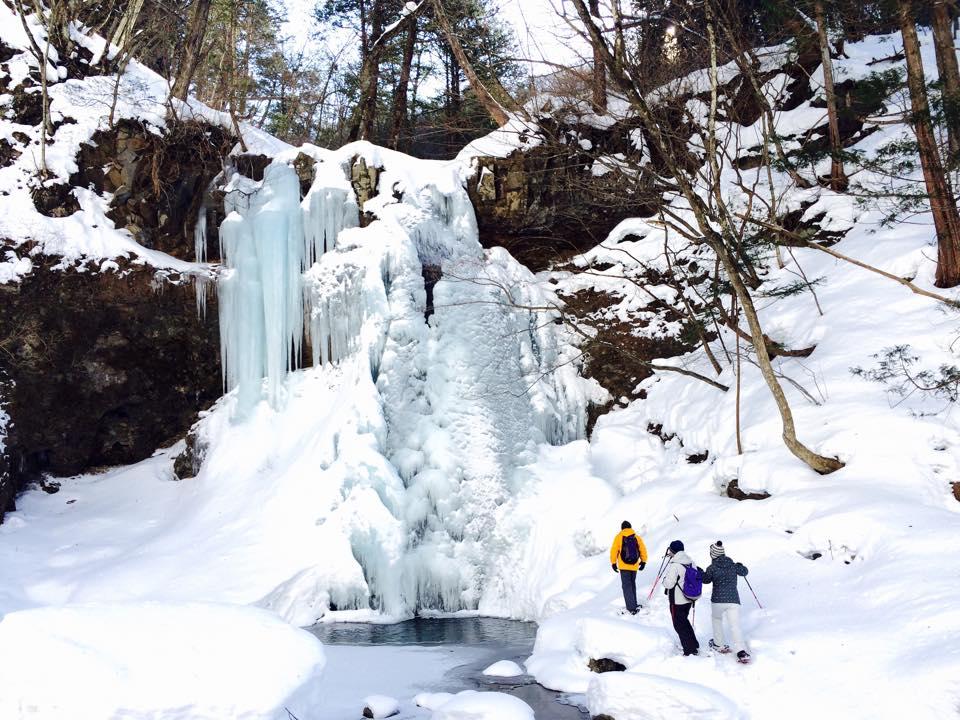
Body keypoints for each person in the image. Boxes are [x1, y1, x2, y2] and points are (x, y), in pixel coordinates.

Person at [702, 540, 751, 663]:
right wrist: (740, 565)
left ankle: (719, 645)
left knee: (717, 620)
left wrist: (701, 572)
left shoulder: (712, 568)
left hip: (718, 600)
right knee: (735, 625)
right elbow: (745, 572)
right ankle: (741, 651)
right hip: (733, 600)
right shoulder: (733, 565)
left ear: (713, 554)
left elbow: (706, 580)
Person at [661, 539, 700, 656]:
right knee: (684, 621)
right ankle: (693, 643)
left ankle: (690, 650)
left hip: (677, 600)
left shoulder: (675, 565)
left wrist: (664, 581)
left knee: (678, 625)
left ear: (673, 551)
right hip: (689, 598)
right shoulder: (691, 562)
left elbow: (669, 583)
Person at [609, 521, 648, 614]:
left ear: (622, 528)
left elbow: (614, 550)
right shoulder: (636, 537)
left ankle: (631, 608)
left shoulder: (618, 537)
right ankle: (634, 604)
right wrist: (643, 561)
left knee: (627, 586)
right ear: (630, 527)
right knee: (632, 584)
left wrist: (613, 563)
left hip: (624, 566)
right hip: (634, 566)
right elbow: (642, 549)